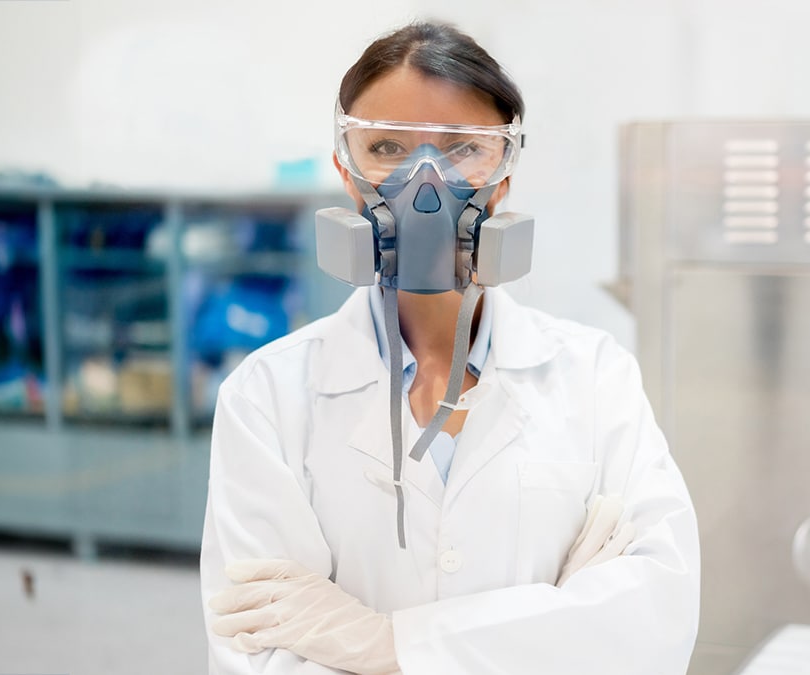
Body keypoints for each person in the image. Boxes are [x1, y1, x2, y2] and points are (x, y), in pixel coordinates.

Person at [201, 20, 701, 675]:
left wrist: (383, 644)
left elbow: (652, 624)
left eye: (464, 148)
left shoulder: (595, 376)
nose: (425, 182)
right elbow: (259, 653)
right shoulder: (267, 397)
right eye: (385, 146)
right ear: (347, 173)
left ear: (505, 174)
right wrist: (554, 622)